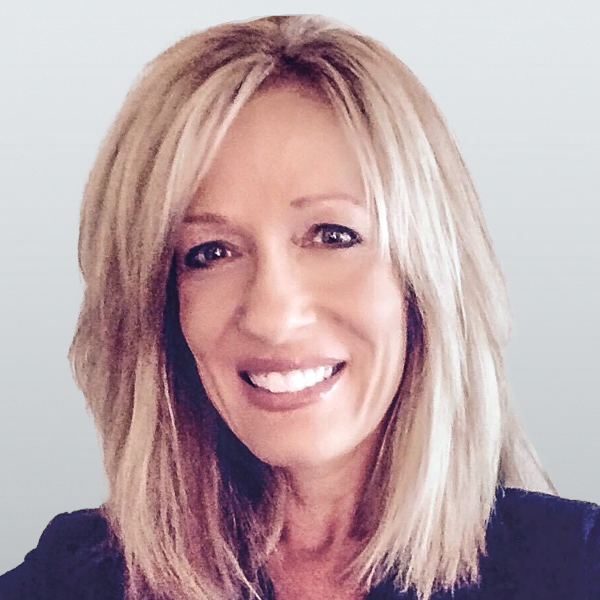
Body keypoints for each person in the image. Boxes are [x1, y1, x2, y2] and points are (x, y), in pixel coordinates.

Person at [0, 13, 598, 600]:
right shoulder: (77, 579)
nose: (272, 315)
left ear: (428, 277)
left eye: (332, 235)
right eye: (210, 252)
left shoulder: (575, 568)